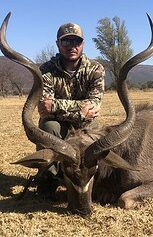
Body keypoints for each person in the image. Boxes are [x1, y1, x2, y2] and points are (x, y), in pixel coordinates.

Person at [36, 22, 105, 196]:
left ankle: (89, 179)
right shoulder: (45, 70)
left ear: (83, 44)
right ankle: (48, 179)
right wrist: (80, 109)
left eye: (76, 41)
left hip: (85, 123)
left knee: (94, 132)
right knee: (48, 127)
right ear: (58, 44)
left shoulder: (95, 69)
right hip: (58, 125)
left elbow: (94, 105)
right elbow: (44, 108)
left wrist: (56, 105)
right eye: (66, 42)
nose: (71, 46)